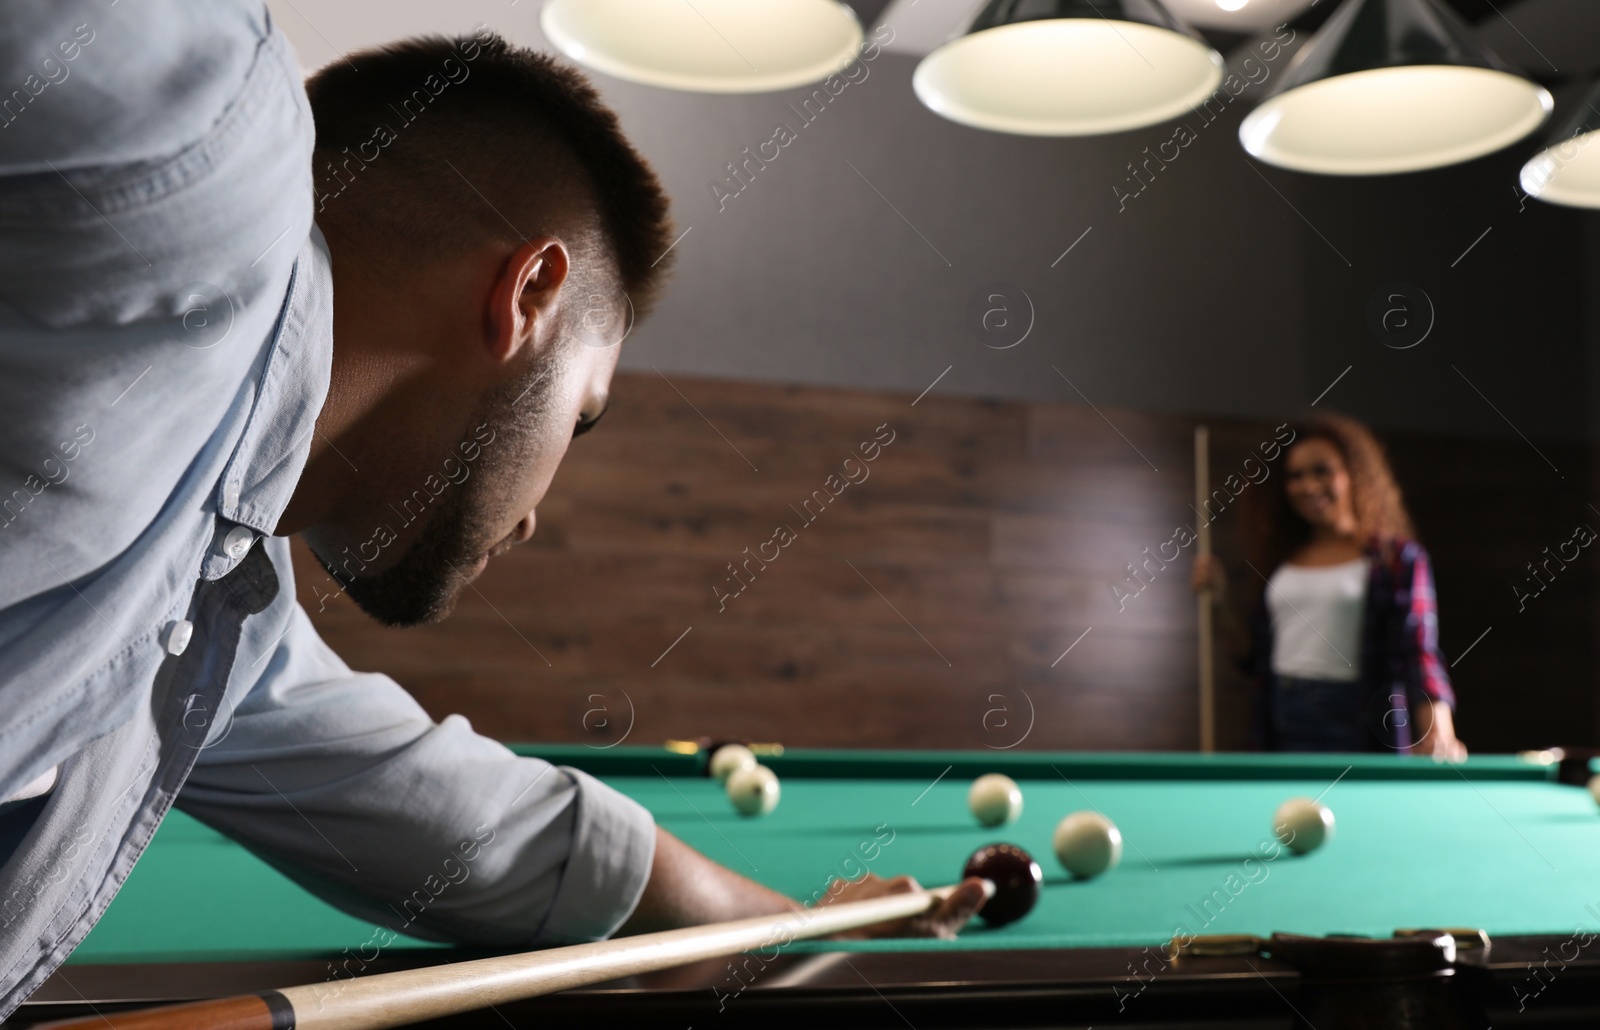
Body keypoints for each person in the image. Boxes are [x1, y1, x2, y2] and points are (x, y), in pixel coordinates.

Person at [0, 4, 986, 1014]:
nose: (526, 523)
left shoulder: (220, 626)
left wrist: (790, 919)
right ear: (529, 295)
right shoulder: (211, 144)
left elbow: (471, 822)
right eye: (584, 416)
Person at [1191, 413, 1465, 758]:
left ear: (1353, 474)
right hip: (1279, 711)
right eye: (1296, 476)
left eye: (1322, 470)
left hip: (1355, 713)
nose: (1308, 486)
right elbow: (1254, 657)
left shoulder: (1396, 558)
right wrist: (1220, 604)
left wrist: (1437, 722)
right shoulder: (1281, 560)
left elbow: (1418, 649)